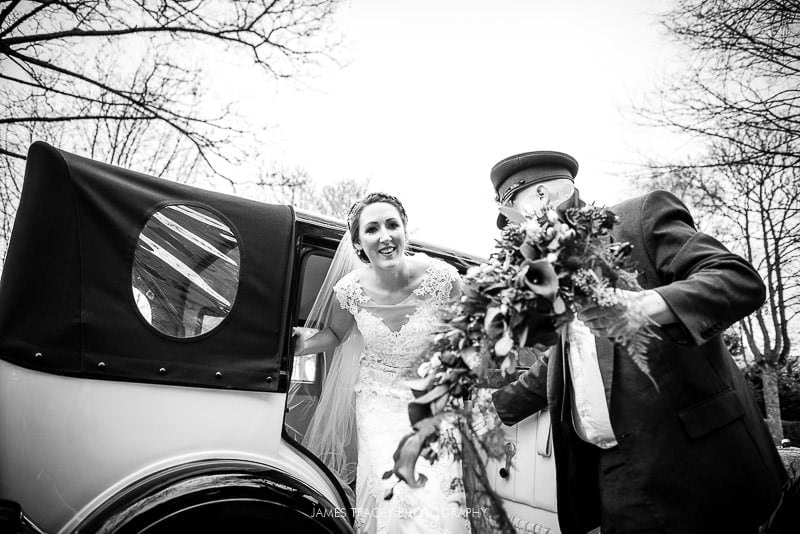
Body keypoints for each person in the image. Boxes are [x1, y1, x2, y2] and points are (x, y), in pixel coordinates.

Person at [489, 151, 787, 534]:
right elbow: (567, 356)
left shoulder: (638, 218)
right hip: (615, 473)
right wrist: (493, 406)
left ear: (542, 197)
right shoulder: (547, 277)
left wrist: (645, 305)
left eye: (514, 214)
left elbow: (737, 279)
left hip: (699, 461)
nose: (512, 232)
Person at [292, 192, 469, 534]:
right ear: (359, 243)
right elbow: (333, 334)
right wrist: (300, 343)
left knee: (434, 495)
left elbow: (462, 336)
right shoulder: (348, 291)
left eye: (392, 225)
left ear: (405, 230)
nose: (385, 236)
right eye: (372, 229)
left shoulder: (444, 279)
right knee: (394, 490)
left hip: (429, 399)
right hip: (378, 398)